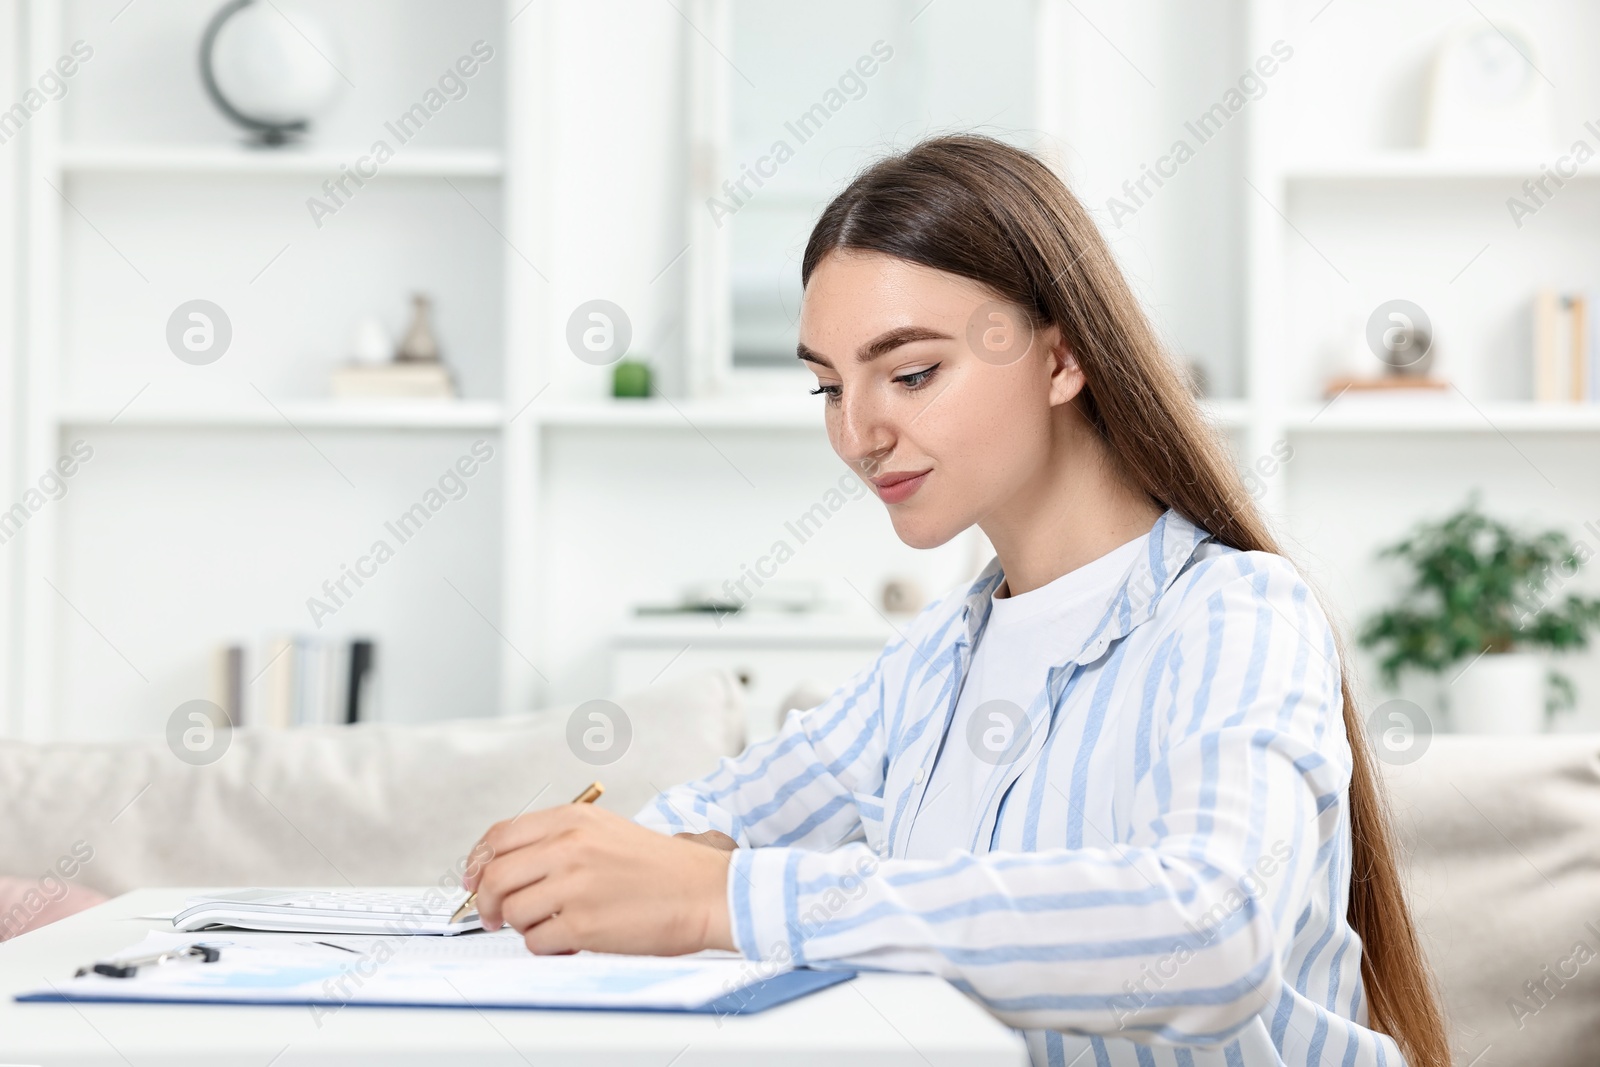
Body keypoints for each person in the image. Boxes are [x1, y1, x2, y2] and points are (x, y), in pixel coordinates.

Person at [463, 134, 1449, 1067]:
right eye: (827, 390)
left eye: (910, 372)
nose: (858, 432)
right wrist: (578, 867)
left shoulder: (1235, 613)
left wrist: (720, 897)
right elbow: (707, 826)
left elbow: (1210, 928)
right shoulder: (933, 664)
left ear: (1062, 358)